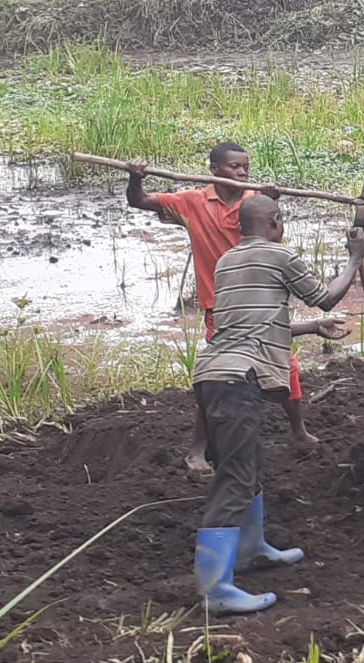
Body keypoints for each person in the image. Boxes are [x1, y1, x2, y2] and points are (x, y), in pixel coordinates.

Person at [191, 195, 364, 613]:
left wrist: (314, 327)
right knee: (234, 479)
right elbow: (326, 296)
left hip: (215, 373)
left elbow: (256, 322)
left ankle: (252, 550)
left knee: (247, 465)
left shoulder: (227, 261)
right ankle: (215, 590)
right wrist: (355, 259)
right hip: (239, 377)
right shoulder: (280, 255)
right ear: (275, 222)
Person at [126, 144, 318, 470]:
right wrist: (135, 177)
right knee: (218, 375)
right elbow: (140, 201)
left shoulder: (255, 203)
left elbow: (274, 241)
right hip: (221, 307)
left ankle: (298, 431)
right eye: (234, 167)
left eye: (245, 167)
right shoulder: (192, 203)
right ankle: (198, 449)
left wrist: (271, 202)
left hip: (259, 301)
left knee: (287, 365)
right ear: (214, 169)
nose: (242, 173)